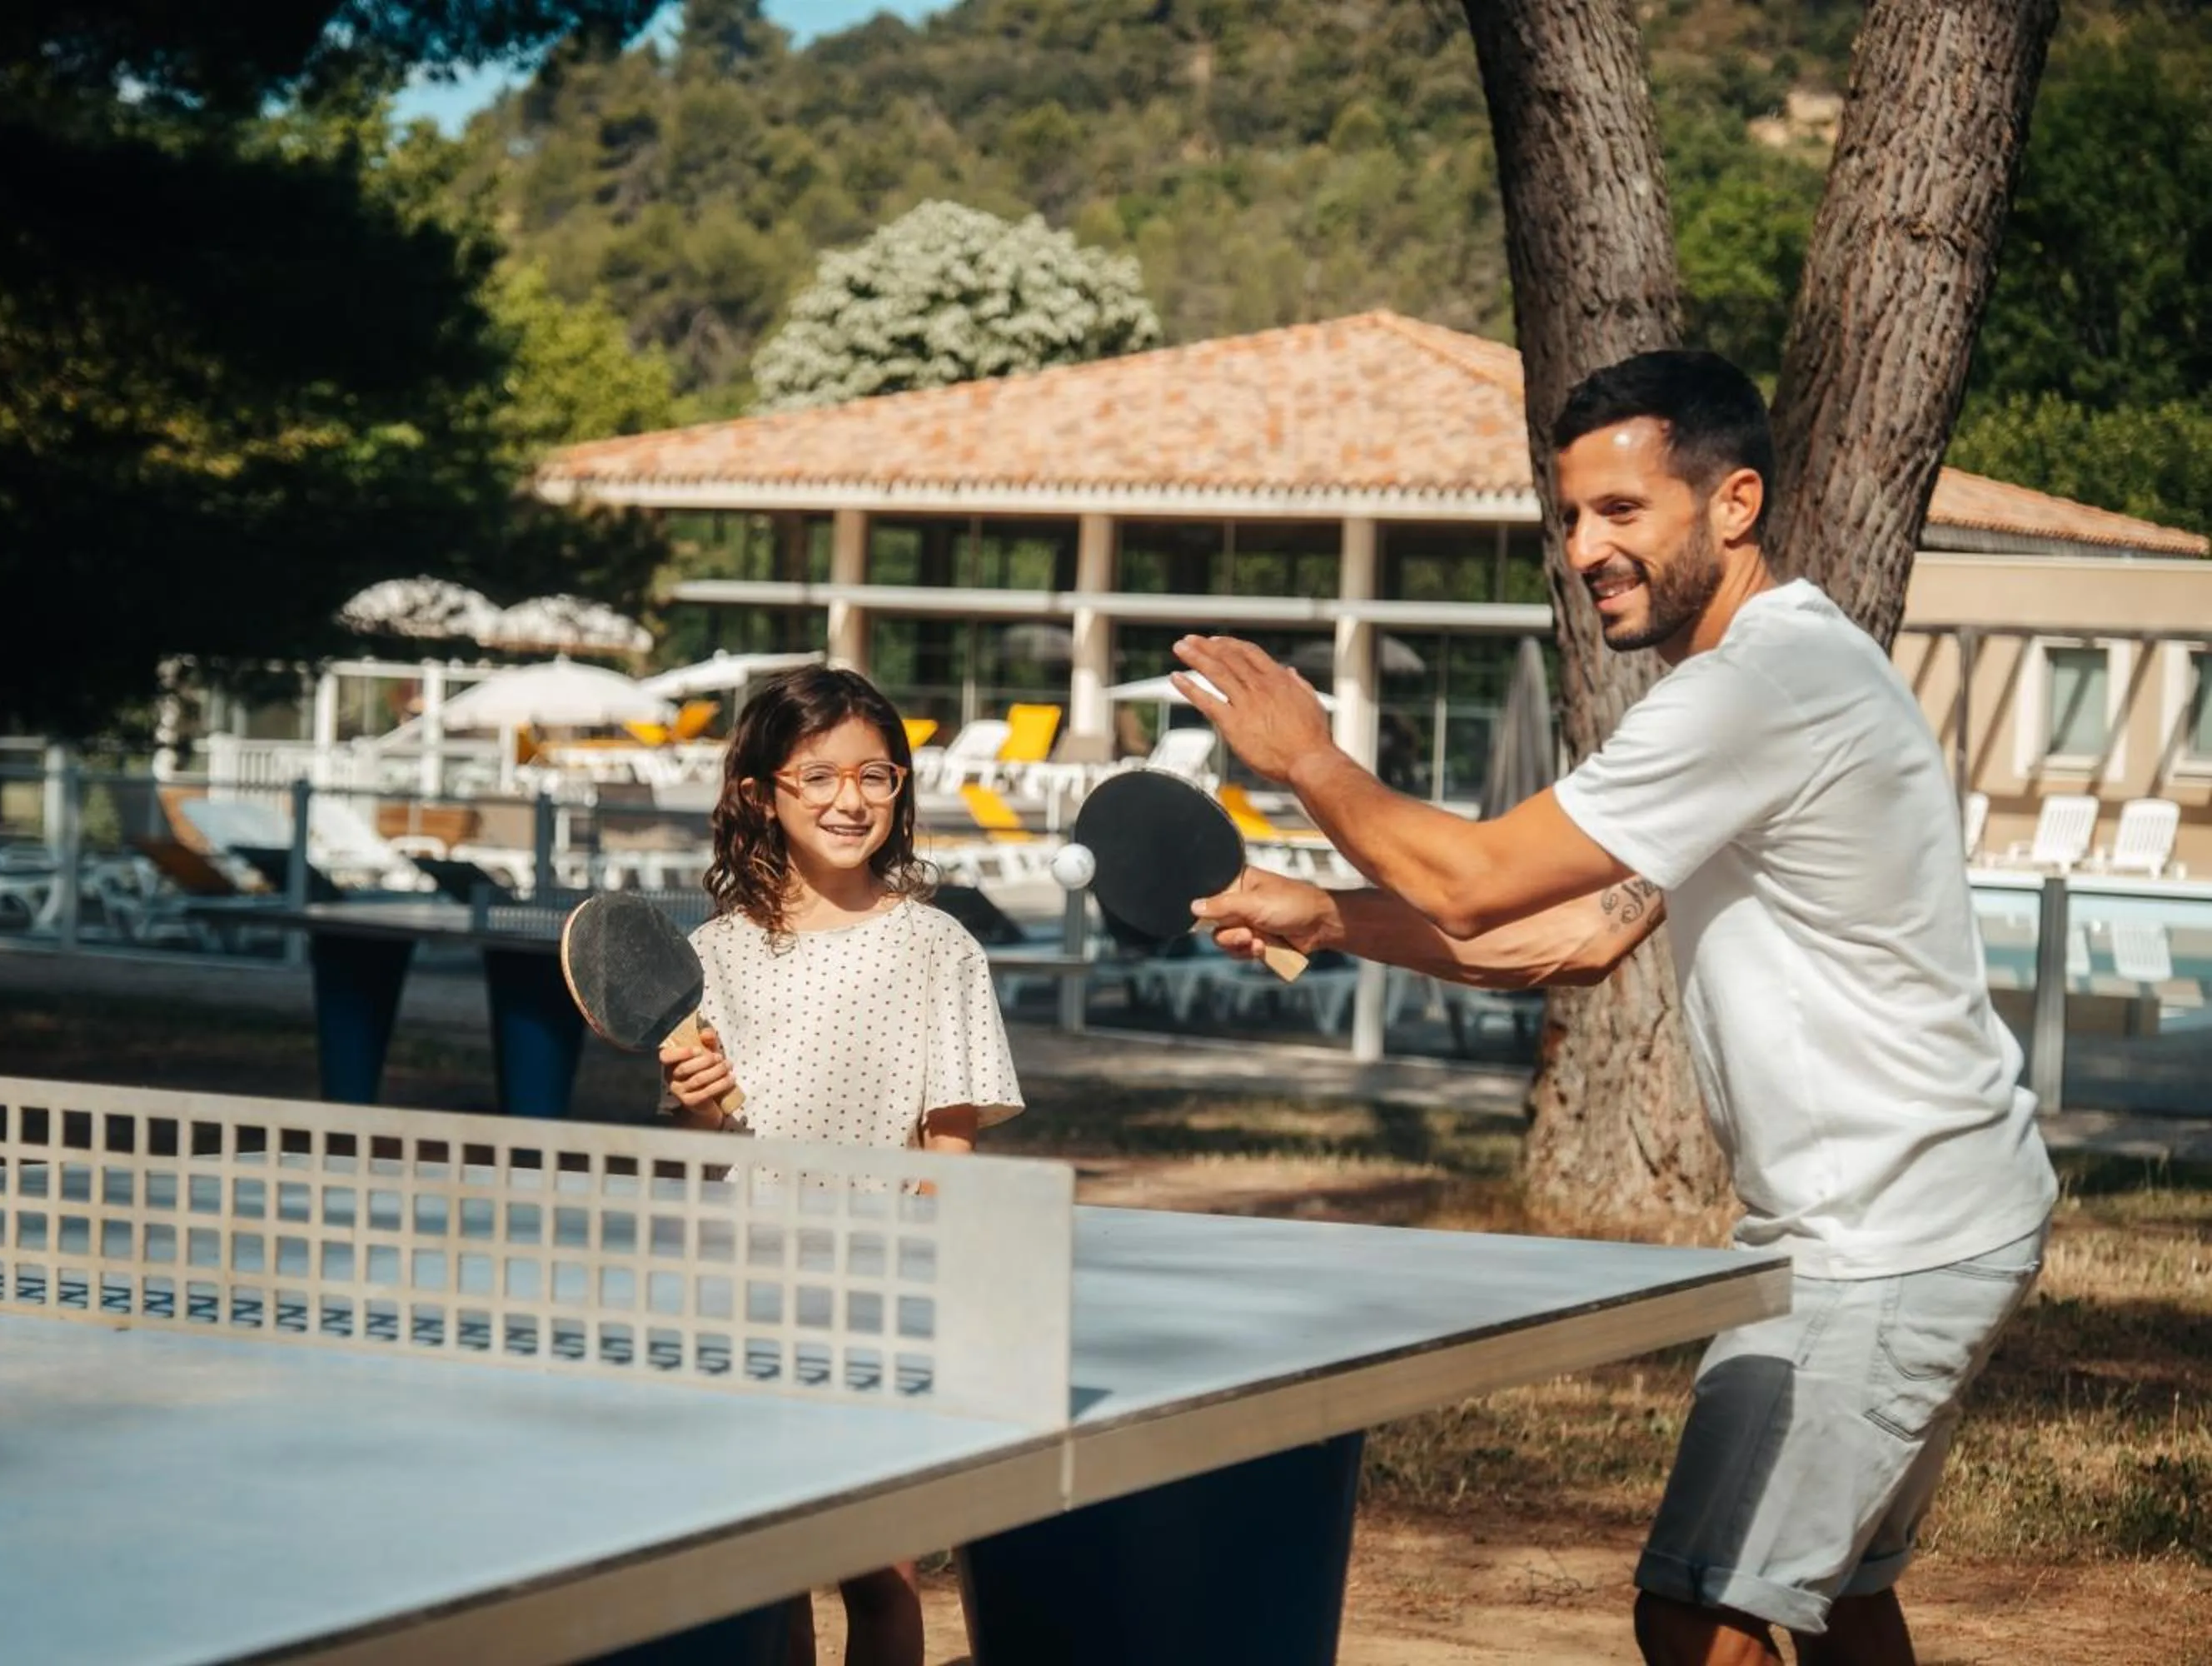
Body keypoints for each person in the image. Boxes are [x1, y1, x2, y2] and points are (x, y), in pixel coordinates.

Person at [1168, 349, 2056, 1666]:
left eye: (1624, 512)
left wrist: (1306, 754)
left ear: (1735, 504)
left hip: (1883, 1238)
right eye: (1572, 515)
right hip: (1935, 1212)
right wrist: (1322, 912)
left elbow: (1468, 883)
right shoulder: (1782, 671)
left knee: (1704, 1616)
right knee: (1835, 1594)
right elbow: (1569, 939)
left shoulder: (1753, 688)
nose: (1586, 547)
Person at [659, 663, 1025, 1666]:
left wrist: (906, 1273)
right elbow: (709, 1149)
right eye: (816, 776)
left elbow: (952, 1141)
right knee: (766, 1557)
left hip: (877, 1284)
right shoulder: (713, 955)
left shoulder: (938, 946)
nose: (850, 799)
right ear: (757, 794)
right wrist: (696, 1106)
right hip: (741, 1285)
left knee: (880, 1562)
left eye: (876, 775)